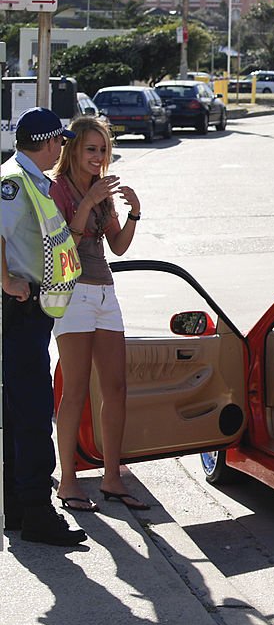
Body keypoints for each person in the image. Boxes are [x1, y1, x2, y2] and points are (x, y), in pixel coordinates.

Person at [49, 116, 150, 512]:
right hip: (72, 293)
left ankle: (112, 478)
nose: (98, 157)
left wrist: (135, 214)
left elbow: (119, 247)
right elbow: (64, 247)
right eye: (91, 149)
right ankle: (68, 482)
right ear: (74, 149)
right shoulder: (57, 189)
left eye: (103, 150)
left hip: (106, 293)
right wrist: (88, 202)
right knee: (74, 389)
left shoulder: (102, 190)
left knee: (116, 387)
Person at [1, 107, 87, 546]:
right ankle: (36, 513)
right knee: (33, 414)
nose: (61, 150)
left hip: (28, 311)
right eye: (61, 142)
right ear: (51, 143)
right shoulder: (15, 183)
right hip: (19, 309)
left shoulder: (26, 179)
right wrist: (6, 279)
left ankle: (17, 507)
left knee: (19, 412)